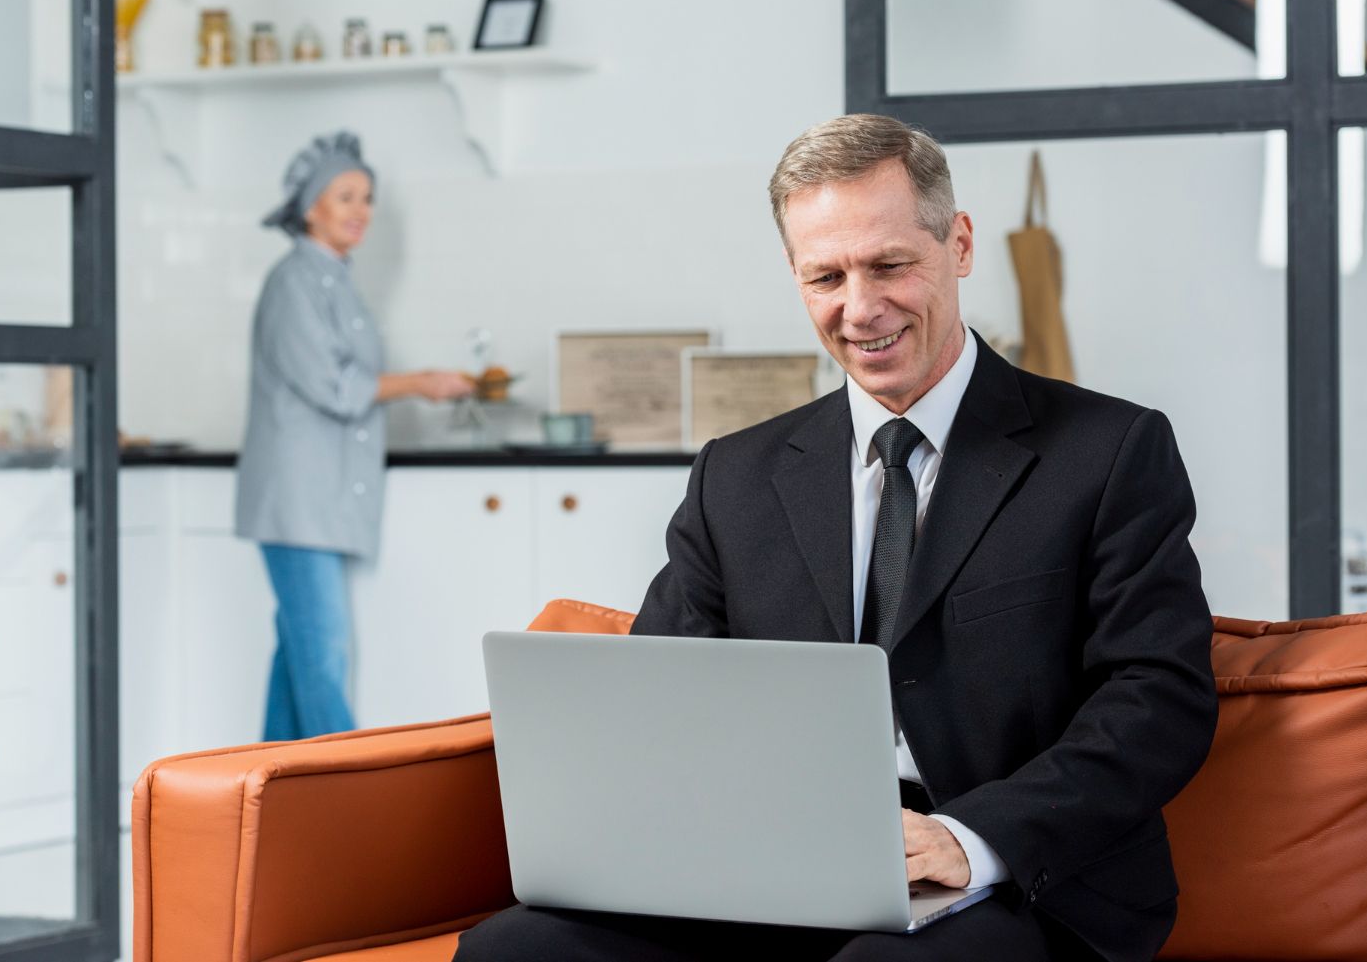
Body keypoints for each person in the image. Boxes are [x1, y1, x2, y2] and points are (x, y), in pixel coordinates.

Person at [455, 114, 1218, 961]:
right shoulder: (732, 477)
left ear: (958, 244)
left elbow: (1158, 697)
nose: (861, 308)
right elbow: (660, 698)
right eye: (827, 275)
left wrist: (971, 839)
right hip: (763, 876)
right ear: (795, 274)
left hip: (1012, 882)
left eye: (890, 264)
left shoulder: (1110, 452)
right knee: (514, 950)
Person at [235, 130, 473, 742]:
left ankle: (266, 801)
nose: (360, 210)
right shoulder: (293, 282)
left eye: (366, 197)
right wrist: (421, 382)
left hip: (321, 498)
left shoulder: (335, 280)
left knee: (299, 658)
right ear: (310, 206)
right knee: (322, 657)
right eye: (345, 196)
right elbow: (334, 386)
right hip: (296, 501)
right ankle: (346, 812)